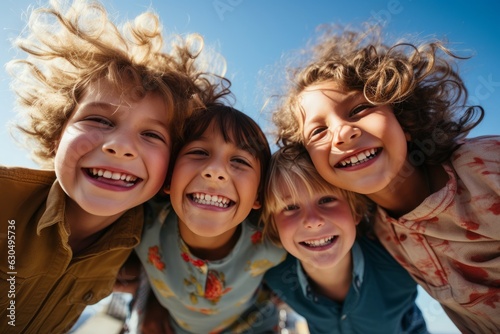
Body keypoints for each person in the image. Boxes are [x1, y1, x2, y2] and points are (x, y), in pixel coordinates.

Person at [0, 0, 222, 332]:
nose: (120, 146)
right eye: (100, 120)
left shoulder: (143, 240)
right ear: (56, 136)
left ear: (170, 170)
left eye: (151, 134)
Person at [270, 24, 500, 333]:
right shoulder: (380, 233)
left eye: (360, 109)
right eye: (318, 130)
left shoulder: (484, 167)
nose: (343, 132)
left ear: (404, 117)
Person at [134, 104, 287, 334]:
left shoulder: (275, 241)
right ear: (168, 176)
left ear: (258, 194)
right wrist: (149, 306)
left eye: (240, 161)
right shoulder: (139, 226)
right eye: (199, 152)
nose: (215, 170)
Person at [261, 145, 428, 334]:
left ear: (356, 211)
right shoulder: (276, 278)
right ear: (274, 227)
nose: (313, 221)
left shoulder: (400, 265)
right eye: (290, 207)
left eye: (326, 200)